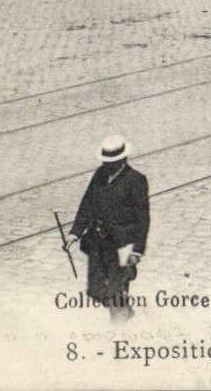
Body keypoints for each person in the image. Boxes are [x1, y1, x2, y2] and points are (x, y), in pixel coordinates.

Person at [70, 135, 149, 318]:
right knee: (95, 291)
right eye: (106, 162)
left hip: (121, 247)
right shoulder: (100, 175)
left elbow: (143, 219)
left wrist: (137, 251)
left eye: (111, 162)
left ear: (123, 160)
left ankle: (120, 324)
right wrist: (75, 233)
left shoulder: (136, 180)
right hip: (97, 245)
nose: (107, 166)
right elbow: (87, 204)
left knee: (116, 292)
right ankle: (123, 311)